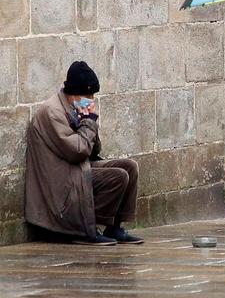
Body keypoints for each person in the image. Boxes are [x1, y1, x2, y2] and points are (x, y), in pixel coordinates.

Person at [24, 61, 143, 246]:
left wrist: (88, 121)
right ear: (73, 93)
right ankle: (88, 229)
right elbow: (78, 152)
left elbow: (94, 151)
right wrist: (88, 123)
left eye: (92, 95)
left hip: (77, 169)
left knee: (129, 167)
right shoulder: (52, 112)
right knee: (117, 176)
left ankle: (114, 227)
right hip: (61, 181)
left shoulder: (73, 108)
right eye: (87, 95)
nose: (91, 100)